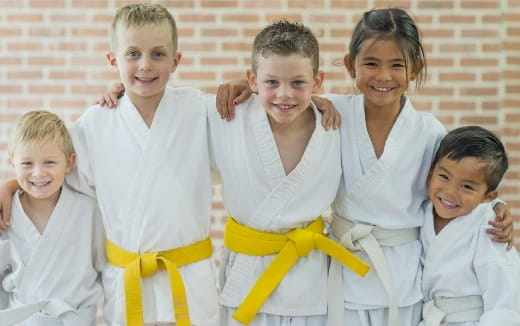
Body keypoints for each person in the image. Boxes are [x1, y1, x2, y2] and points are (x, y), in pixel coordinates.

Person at [215, 8, 514, 326]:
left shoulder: (429, 131)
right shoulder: (331, 114)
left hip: (403, 274)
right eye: (371, 63)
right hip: (342, 270)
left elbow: (451, 187)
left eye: (396, 65)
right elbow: (287, 92)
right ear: (350, 65)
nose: (383, 76)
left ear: (415, 69)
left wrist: (493, 208)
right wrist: (246, 86)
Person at [0, 3, 220, 326]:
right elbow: (52, 170)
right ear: (113, 59)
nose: (145, 65)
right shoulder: (95, 124)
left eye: (158, 54)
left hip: (189, 283)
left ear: (176, 60)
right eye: (132, 54)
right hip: (127, 285)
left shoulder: (201, 113)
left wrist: (242, 91)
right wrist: (10, 184)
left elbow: (251, 136)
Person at [207, 21, 370, 326]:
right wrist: (119, 90)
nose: (285, 94)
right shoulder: (228, 116)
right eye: (272, 82)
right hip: (246, 278)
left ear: (317, 81)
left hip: (307, 281)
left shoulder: (335, 124)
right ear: (251, 80)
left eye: (298, 83)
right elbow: (165, 112)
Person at [0, 111, 105, 325]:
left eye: (49, 162)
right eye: (27, 164)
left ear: (69, 163)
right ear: (12, 163)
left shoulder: (88, 211)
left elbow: (107, 269)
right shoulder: (5, 214)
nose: (38, 173)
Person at [420, 126, 520, 326]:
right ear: (431, 173)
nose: (450, 192)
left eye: (467, 186)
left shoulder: (491, 227)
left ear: (488, 196)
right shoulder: (422, 211)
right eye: (444, 177)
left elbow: (505, 301)